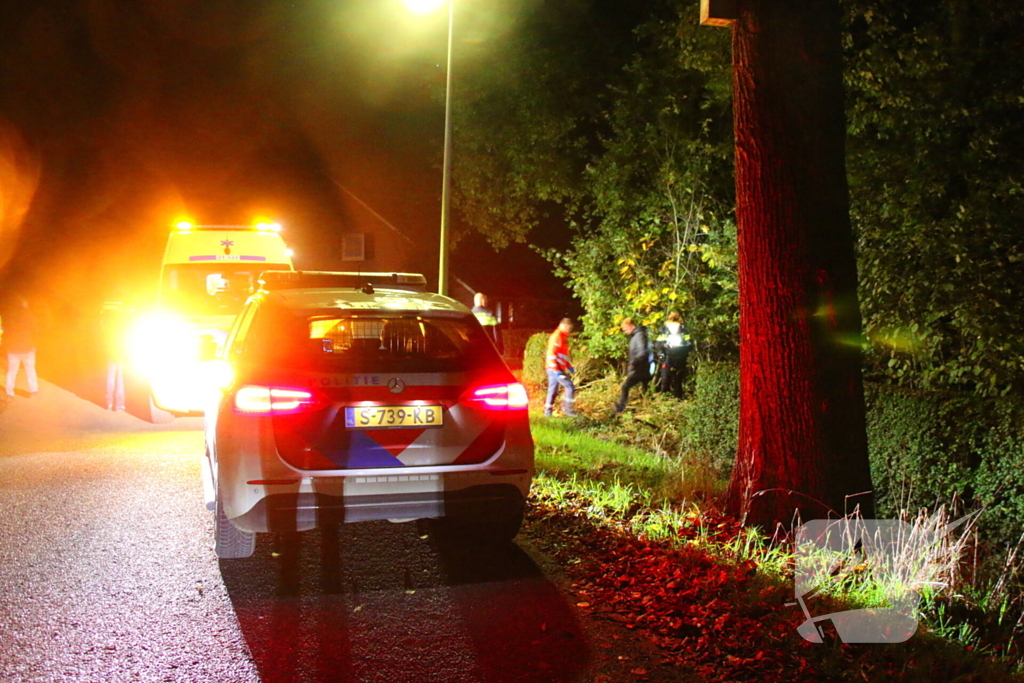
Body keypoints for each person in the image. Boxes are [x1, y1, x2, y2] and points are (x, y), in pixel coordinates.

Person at [4, 294, 39, 400]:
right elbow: (35, 331)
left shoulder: (9, 316)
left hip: (13, 348)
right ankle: (33, 391)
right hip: (27, 348)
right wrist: (35, 345)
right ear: (24, 304)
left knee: (12, 371)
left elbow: (4, 330)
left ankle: (9, 393)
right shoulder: (29, 315)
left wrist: (5, 344)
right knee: (30, 369)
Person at [614, 317, 651, 414]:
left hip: (639, 368)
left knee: (625, 387)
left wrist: (634, 364)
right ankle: (647, 407)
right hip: (642, 367)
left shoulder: (639, 336)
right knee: (644, 388)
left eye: (625, 329)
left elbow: (643, 352)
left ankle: (620, 407)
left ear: (631, 326)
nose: (625, 332)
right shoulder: (637, 335)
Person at [101, 299, 130, 411]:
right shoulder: (122, 308)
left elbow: (102, 327)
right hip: (120, 345)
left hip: (109, 344)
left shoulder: (104, 309)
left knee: (110, 373)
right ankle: (119, 404)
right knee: (120, 374)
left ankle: (108, 403)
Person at [655, 311, 693, 399]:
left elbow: (690, 345)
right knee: (665, 377)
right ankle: (663, 397)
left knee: (678, 379)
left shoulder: (684, 332)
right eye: (672, 327)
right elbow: (658, 344)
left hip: (680, 356)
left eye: (676, 327)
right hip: (667, 356)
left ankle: (678, 397)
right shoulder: (664, 332)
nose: (674, 330)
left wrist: (682, 346)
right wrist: (663, 348)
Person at [544, 318, 576, 417]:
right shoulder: (558, 337)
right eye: (569, 328)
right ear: (565, 326)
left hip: (554, 368)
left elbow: (561, 356)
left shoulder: (561, 337)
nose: (570, 331)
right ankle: (567, 410)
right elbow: (551, 355)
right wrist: (557, 371)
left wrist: (568, 366)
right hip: (555, 368)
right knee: (569, 386)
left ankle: (547, 412)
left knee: (552, 390)